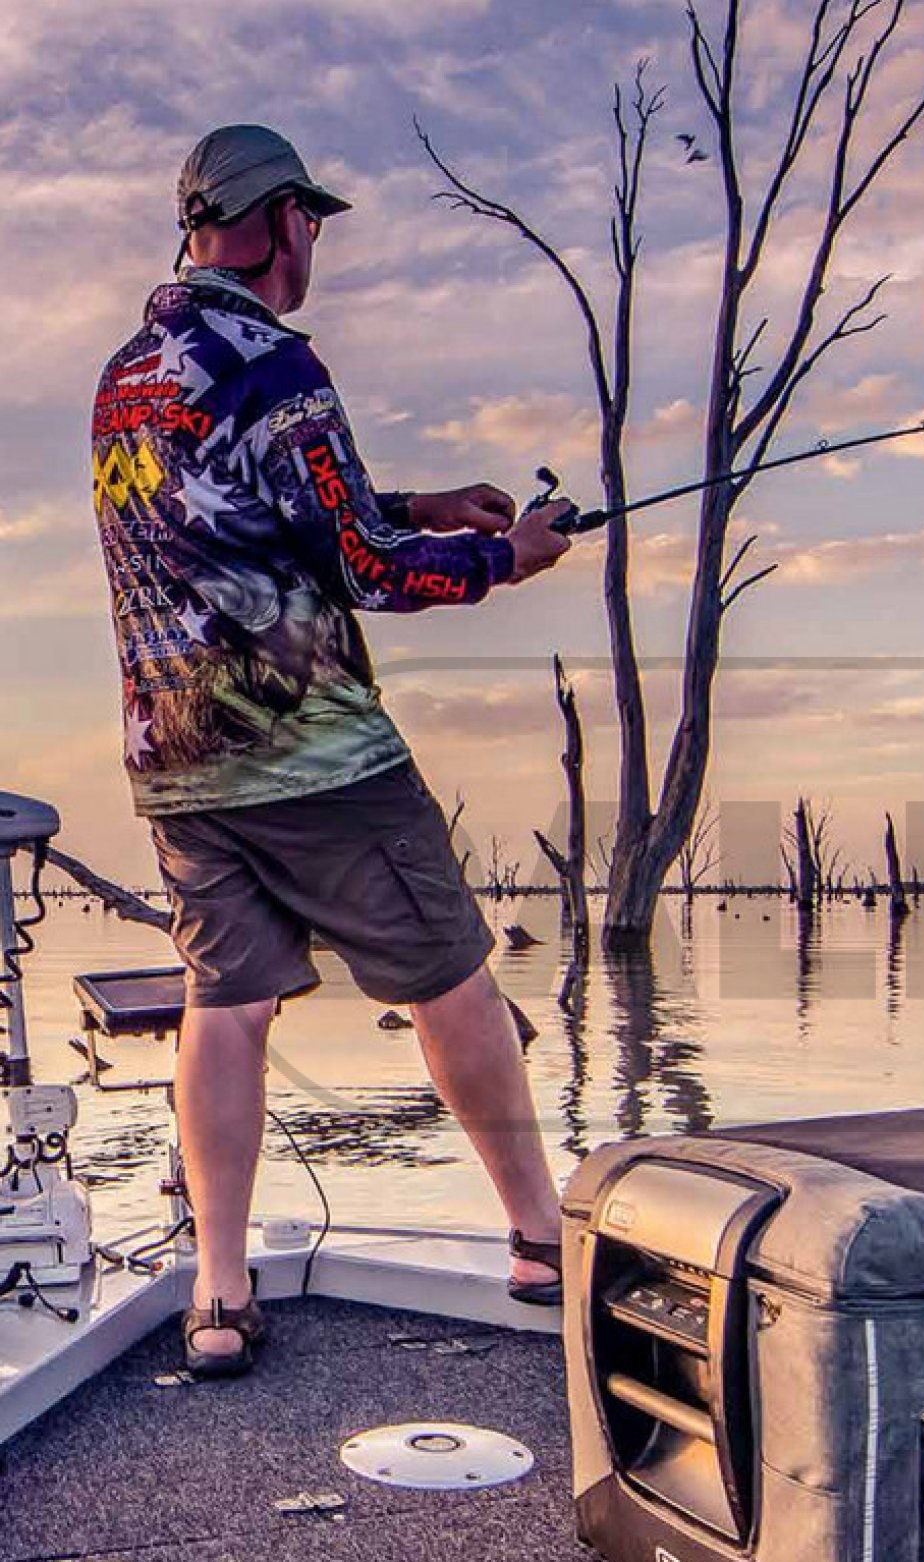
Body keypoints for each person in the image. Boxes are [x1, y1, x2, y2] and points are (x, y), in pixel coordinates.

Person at [91, 124, 579, 1376]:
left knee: (227, 1003)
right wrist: (504, 555)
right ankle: (540, 1239)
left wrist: (421, 504)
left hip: (176, 756)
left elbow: (257, 518)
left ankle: (218, 1293)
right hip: (310, 749)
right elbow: (361, 567)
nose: (314, 241)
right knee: (450, 975)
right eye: (308, 218)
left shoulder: (126, 377)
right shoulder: (278, 364)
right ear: (274, 222)